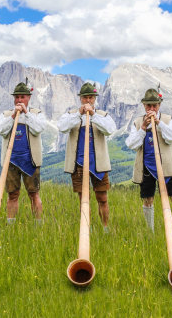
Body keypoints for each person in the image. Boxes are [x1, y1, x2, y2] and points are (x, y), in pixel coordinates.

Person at [57, 82, 117, 232]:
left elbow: (110, 130)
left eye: (91, 98)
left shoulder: (103, 115)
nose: (88, 101)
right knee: (84, 200)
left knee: (102, 197)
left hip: (99, 163)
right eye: (85, 98)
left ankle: (105, 228)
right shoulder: (71, 115)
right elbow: (62, 127)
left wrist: (94, 115)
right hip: (78, 163)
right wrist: (80, 114)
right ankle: (86, 230)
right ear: (80, 99)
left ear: (95, 99)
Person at [125, 88, 172, 232]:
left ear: (159, 105)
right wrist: (144, 127)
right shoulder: (138, 122)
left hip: (167, 165)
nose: (151, 108)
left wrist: (158, 123)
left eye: (154, 106)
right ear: (144, 106)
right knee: (148, 199)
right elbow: (131, 144)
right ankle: (149, 233)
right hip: (147, 166)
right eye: (148, 106)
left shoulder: (168, 119)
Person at [0, 80, 47, 224]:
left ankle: (38, 225)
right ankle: (11, 225)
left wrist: (26, 113)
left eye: (22, 97)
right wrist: (13, 116)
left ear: (29, 98)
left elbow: (39, 128)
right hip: (11, 161)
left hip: (31, 160)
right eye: (17, 97)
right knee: (12, 194)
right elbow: (0, 130)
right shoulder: (6, 115)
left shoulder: (37, 114)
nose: (19, 100)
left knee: (34, 194)